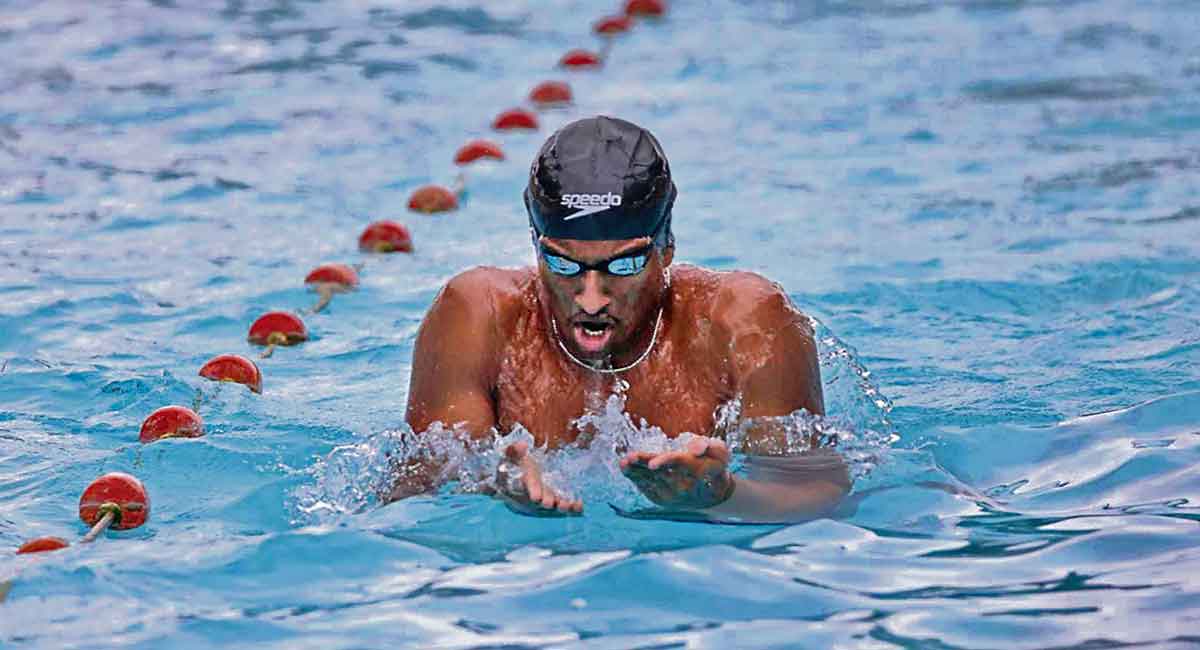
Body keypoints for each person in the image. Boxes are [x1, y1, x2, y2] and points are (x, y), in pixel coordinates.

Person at [397, 116, 849, 522]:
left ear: (666, 248)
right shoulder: (479, 316)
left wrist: (721, 495)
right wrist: (492, 484)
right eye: (563, 265)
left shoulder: (744, 321)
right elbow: (408, 498)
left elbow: (815, 491)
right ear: (536, 247)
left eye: (624, 266)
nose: (591, 301)